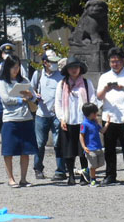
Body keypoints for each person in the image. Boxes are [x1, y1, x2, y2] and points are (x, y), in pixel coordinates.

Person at [0, 55, 39, 187]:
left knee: (25, 151)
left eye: (18, 67)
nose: (16, 70)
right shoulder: (1, 82)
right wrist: (22, 99)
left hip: (25, 118)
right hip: (10, 119)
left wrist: (31, 96)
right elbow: (5, 99)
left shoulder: (24, 80)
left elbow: (33, 98)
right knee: (8, 151)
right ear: (7, 68)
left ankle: (24, 178)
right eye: (13, 67)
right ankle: (11, 178)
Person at [96, 47, 124, 184]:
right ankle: (110, 174)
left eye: (118, 61)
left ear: (123, 61)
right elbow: (99, 96)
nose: (115, 64)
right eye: (113, 61)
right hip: (109, 116)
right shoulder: (104, 76)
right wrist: (106, 89)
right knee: (109, 148)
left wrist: (123, 88)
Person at [55, 56, 96, 185]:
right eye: (71, 68)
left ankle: (84, 176)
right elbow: (58, 103)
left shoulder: (86, 83)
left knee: (83, 151)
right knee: (69, 151)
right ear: (67, 70)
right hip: (68, 121)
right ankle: (71, 175)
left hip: (83, 121)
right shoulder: (62, 84)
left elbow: (92, 99)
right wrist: (61, 118)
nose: (74, 70)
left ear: (80, 69)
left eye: (76, 67)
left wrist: (90, 116)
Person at [31, 50, 66, 180]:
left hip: (57, 114)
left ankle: (61, 169)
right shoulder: (38, 74)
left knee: (59, 143)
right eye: (52, 62)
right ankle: (38, 168)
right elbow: (30, 89)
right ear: (45, 62)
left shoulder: (62, 76)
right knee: (40, 144)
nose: (55, 64)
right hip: (41, 114)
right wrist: (35, 96)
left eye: (56, 62)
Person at [0, 43, 29, 124]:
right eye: (6, 53)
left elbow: (25, 81)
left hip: (17, 94)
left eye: (9, 53)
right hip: (2, 95)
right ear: (2, 54)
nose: (8, 55)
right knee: (0, 115)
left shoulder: (20, 67)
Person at [79, 102, 105, 187]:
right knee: (93, 165)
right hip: (90, 149)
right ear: (90, 113)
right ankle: (92, 180)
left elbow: (102, 130)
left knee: (101, 163)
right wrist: (84, 146)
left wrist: (108, 123)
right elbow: (81, 136)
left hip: (98, 147)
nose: (96, 114)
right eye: (95, 113)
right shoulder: (84, 124)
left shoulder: (95, 122)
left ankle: (86, 170)